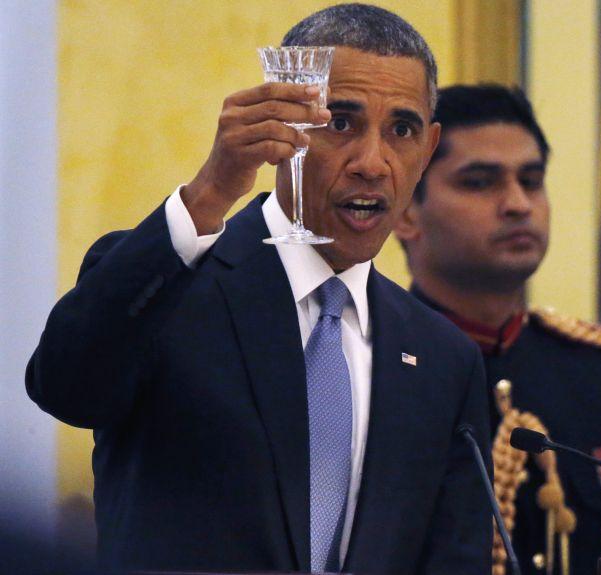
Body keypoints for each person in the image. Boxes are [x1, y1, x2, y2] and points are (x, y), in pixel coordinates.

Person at [26, 6, 492, 574]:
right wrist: (208, 193)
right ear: (282, 124)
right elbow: (67, 389)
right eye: (340, 123)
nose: (373, 163)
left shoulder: (444, 359)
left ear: (428, 148)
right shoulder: (170, 285)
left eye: (402, 130)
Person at [395, 84, 601, 575]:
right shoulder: (369, 367)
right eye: (479, 182)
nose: (517, 204)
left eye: (532, 180)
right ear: (406, 212)